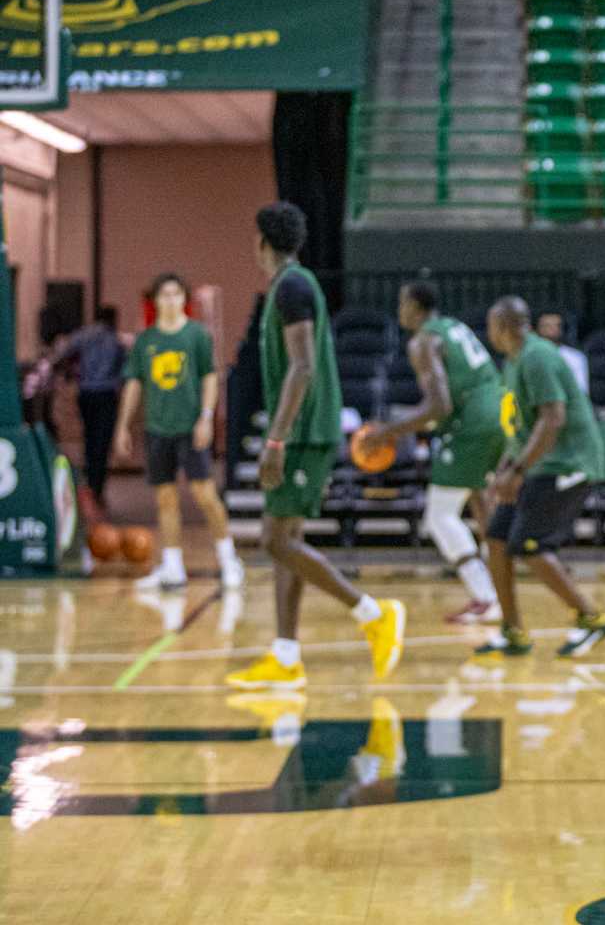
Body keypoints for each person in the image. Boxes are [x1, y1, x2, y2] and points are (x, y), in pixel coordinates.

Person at [225, 202, 405, 690]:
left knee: (275, 540)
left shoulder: (294, 287)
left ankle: (372, 612)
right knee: (287, 543)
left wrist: (276, 437)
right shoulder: (291, 285)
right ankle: (286, 656)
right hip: (303, 431)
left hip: (303, 434)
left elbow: (302, 366)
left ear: (262, 241)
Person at [472, 295, 605, 659]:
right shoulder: (514, 361)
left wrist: (517, 472)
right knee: (497, 538)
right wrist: (503, 472)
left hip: (569, 463)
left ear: (502, 327)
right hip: (539, 464)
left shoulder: (538, 357)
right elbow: (521, 430)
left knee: (529, 544)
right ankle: (513, 630)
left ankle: (591, 618)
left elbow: (553, 419)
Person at [364, 282, 506, 625]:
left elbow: (439, 405)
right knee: (480, 501)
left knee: (440, 517)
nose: (399, 311)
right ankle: (501, 589)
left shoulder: (424, 341)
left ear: (414, 306)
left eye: (401, 303)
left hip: (470, 424)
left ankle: (486, 597)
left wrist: (387, 432)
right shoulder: (455, 327)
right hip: (500, 414)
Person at [114, 273, 245, 590]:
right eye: (165, 294)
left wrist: (206, 417)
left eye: (176, 294)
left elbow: (210, 378)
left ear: (184, 300)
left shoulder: (197, 336)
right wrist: (122, 426)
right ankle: (172, 567)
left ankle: (229, 560)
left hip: (190, 426)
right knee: (165, 499)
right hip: (158, 428)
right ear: (155, 300)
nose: (171, 300)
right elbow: (134, 384)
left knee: (205, 495)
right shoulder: (145, 341)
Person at [55, 305, 126, 511]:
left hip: (86, 392)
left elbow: (61, 352)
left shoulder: (84, 335)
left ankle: (87, 486)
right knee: (102, 443)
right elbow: (124, 369)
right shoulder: (115, 340)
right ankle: (96, 488)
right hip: (106, 394)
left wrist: (72, 371)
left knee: (89, 438)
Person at [537, 310, 589, 394]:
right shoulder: (528, 356)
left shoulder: (575, 357)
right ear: (538, 330)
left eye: (556, 326)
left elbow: (580, 391)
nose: (551, 330)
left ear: (562, 330)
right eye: (546, 326)